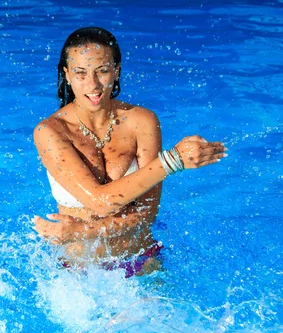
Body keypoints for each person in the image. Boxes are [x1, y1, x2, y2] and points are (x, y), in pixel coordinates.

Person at [32, 27, 227, 277]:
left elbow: (147, 214)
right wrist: (173, 160)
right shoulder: (50, 131)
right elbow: (99, 202)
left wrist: (82, 232)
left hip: (140, 262)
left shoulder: (141, 121)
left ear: (116, 70)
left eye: (102, 71)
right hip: (79, 273)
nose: (92, 85)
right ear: (66, 74)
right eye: (80, 73)